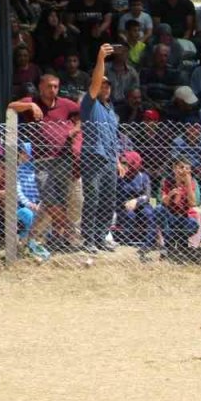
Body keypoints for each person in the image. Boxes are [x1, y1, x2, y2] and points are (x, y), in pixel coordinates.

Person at [79, 43, 122, 254]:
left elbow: (114, 139)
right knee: (93, 198)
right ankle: (88, 239)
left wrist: (118, 161)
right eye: (101, 84)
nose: (104, 87)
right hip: (93, 158)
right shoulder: (90, 103)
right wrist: (101, 60)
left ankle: (101, 236)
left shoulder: (111, 110)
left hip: (109, 160)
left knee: (108, 199)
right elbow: (96, 82)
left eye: (108, 85)